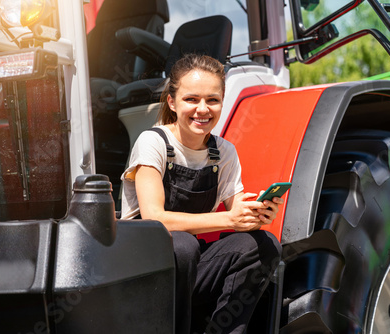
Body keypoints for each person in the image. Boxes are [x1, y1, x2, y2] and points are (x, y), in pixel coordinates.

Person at [121, 54, 282, 334]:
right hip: (142, 270)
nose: (203, 109)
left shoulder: (224, 153)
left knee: (263, 244)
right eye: (191, 99)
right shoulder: (153, 142)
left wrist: (257, 213)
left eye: (212, 100)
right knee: (182, 244)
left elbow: (238, 212)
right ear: (172, 102)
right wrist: (230, 220)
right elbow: (154, 219)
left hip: (188, 268)